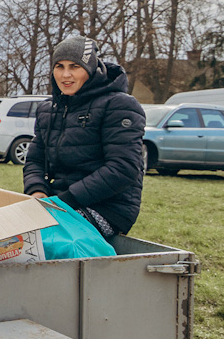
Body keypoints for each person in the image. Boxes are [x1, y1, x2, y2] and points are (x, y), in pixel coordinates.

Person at [23, 36, 145, 239]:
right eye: (59, 66)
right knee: (5, 228)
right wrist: (37, 190)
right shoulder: (48, 109)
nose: (65, 75)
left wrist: (66, 200)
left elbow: (124, 168)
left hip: (108, 208)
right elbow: (35, 160)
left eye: (74, 66)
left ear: (90, 69)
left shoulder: (119, 105)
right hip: (59, 202)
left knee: (37, 237)